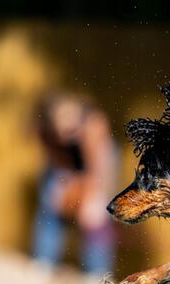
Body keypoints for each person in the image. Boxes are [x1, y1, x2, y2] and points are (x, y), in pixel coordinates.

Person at [32, 91, 117, 274]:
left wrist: (93, 196)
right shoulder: (43, 129)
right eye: (60, 128)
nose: (66, 129)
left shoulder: (94, 125)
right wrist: (65, 189)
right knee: (50, 200)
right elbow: (59, 161)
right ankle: (43, 262)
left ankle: (99, 274)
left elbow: (98, 171)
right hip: (67, 164)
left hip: (97, 162)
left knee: (96, 215)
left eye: (70, 128)